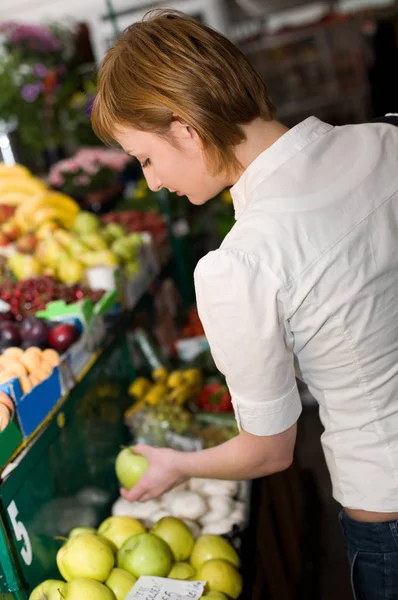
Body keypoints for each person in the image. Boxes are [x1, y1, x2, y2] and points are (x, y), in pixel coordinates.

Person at [91, 10, 398, 599]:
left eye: (146, 158)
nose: (152, 182)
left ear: (185, 129)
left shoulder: (241, 263)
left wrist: (177, 465)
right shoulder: (384, 141)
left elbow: (268, 452)